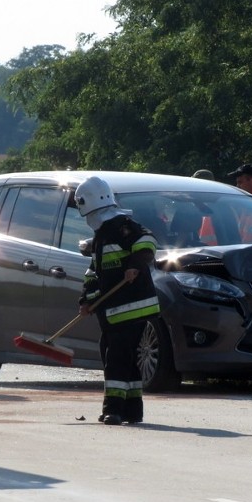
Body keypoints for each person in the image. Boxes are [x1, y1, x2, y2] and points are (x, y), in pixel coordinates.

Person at [76, 176, 160, 425]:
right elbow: (94, 272)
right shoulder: (102, 235)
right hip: (114, 311)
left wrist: (134, 265)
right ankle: (132, 410)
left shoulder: (123, 225)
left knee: (116, 357)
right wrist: (86, 300)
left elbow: (147, 241)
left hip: (131, 309)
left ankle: (113, 409)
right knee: (120, 355)